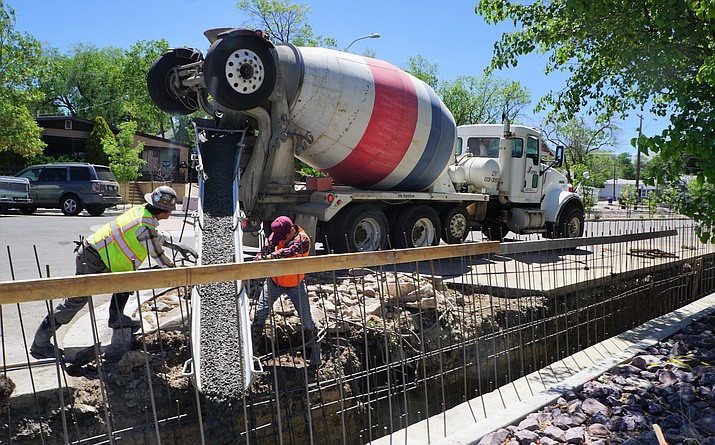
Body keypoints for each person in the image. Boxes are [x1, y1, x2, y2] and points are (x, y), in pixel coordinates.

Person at [30, 185, 179, 358]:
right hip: (92, 258)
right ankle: (40, 342)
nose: (170, 214)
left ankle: (116, 318)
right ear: (163, 211)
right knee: (76, 300)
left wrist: (173, 244)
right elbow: (158, 256)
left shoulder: (141, 212)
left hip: (101, 256)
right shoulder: (144, 225)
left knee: (125, 281)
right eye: (169, 210)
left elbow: (152, 236)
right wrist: (176, 271)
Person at [251, 216, 320, 365]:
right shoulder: (278, 234)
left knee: (307, 321)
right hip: (274, 282)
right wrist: (259, 257)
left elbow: (289, 251)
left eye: (284, 237)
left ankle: (316, 353)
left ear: (292, 230)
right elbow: (267, 245)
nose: (280, 239)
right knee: (259, 315)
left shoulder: (303, 240)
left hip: (295, 283)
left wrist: (270, 257)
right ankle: (252, 354)